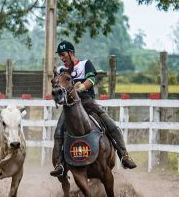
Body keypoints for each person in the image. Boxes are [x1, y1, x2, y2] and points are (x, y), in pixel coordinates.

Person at [50, 40, 137, 177]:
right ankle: (59, 165)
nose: (61, 57)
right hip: (69, 107)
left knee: (111, 125)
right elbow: (57, 84)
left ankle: (124, 156)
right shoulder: (61, 70)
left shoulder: (86, 64)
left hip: (87, 102)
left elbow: (91, 80)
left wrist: (81, 87)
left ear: (71, 53)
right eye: (60, 55)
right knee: (58, 133)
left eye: (63, 54)